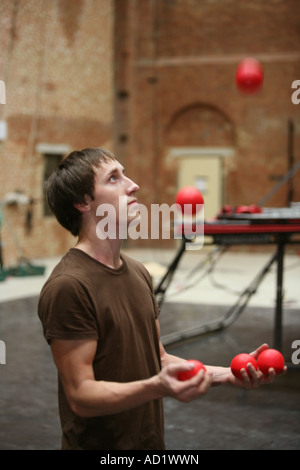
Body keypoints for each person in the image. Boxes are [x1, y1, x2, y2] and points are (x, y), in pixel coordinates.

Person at [38, 147, 281, 450]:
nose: (132, 184)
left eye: (124, 173)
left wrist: (228, 375)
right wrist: (157, 387)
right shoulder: (69, 286)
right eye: (114, 178)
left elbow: (160, 359)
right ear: (82, 202)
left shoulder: (139, 273)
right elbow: (81, 396)